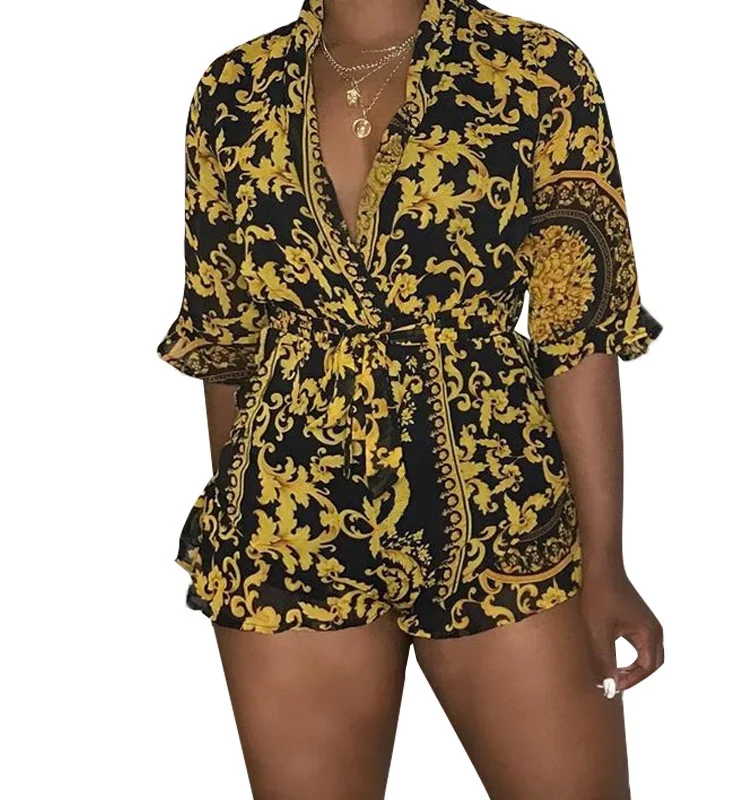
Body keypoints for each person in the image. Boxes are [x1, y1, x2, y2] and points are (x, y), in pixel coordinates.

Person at [156, 0, 665, 797]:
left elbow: (580, 330)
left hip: (496, 505)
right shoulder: (233, 91)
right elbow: (227, 344)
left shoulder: (535, 69)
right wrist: (240, 515)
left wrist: (605, 563)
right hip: (289, 514)